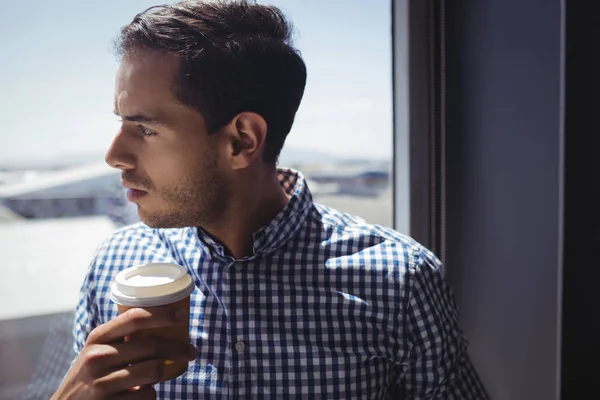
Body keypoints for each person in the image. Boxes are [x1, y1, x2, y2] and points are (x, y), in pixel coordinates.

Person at [52, 1, 489, 398]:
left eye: (145, 129)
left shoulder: (400, 281)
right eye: (121, 123)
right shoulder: (114, 267)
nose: (113, 156)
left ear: (242, 141)